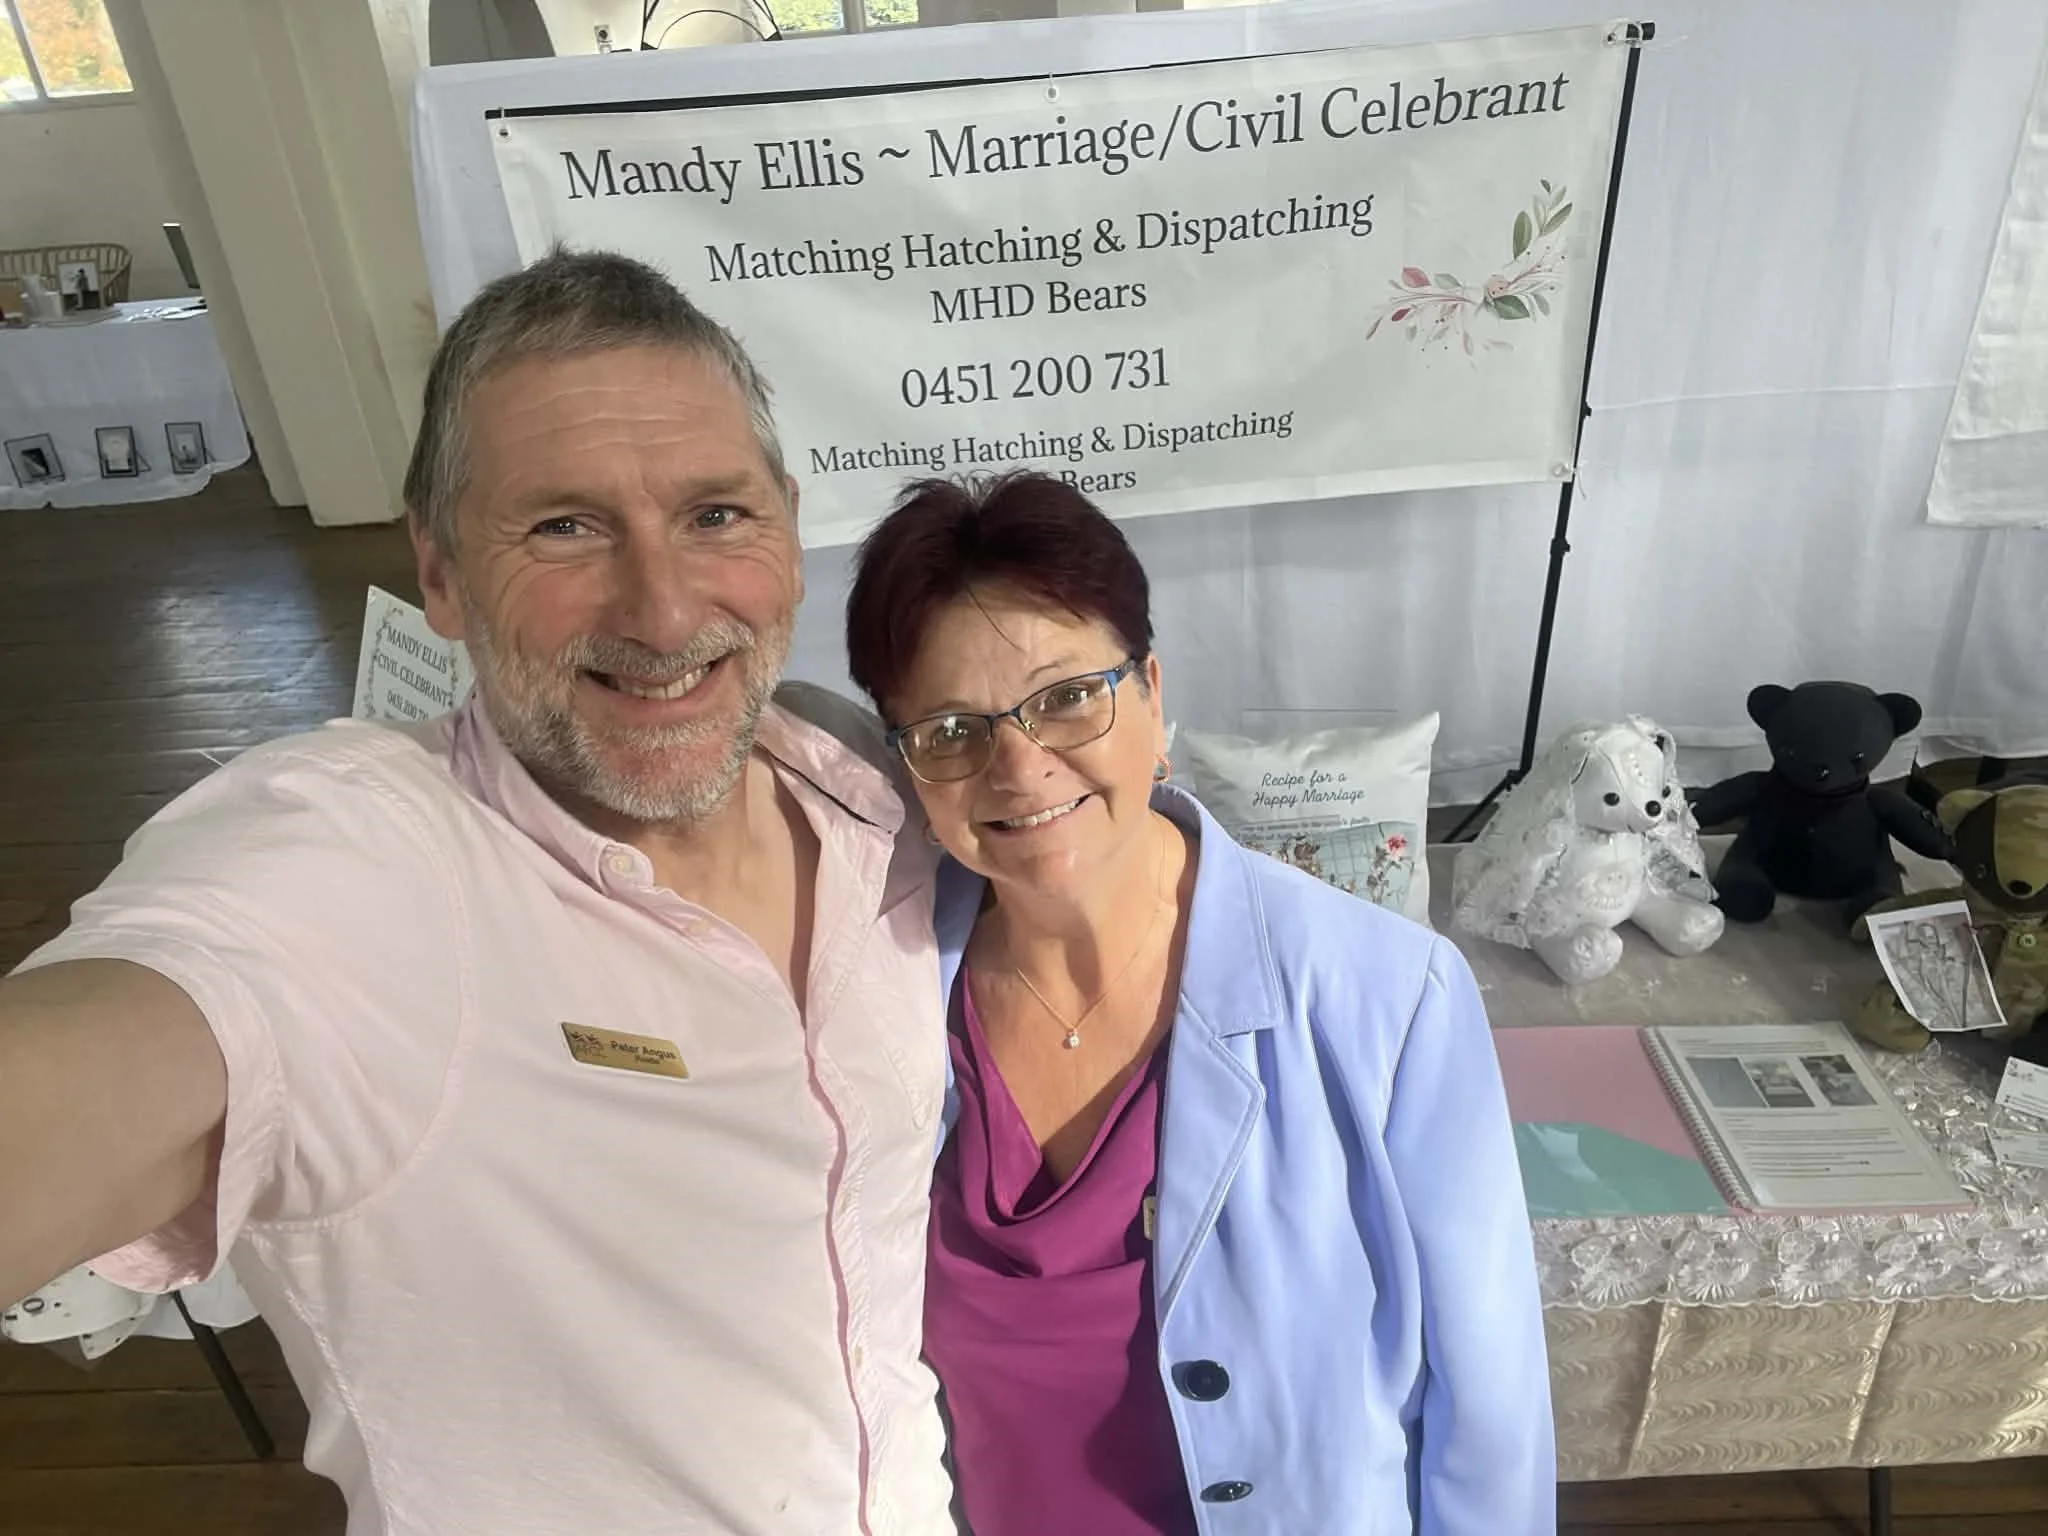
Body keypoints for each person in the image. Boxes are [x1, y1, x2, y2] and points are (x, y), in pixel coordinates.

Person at [0, 250, 956, 1534]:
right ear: (440, 574)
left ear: (786, 530)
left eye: (715, 515)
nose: (664, 611)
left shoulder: (865, 795)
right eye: (563, 526)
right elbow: (150, 1026)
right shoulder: (359, 870)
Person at [844, 470, 1555, 1535]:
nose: (1020, 766)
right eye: (950, 729)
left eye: (1065, 696)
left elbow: (1488, 1413)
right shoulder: (879, 992)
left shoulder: (1384, 997)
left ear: (1152, 692)